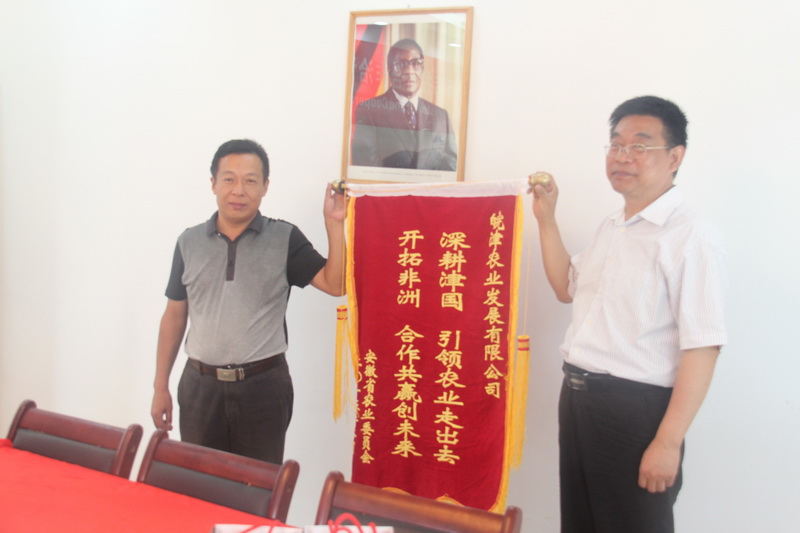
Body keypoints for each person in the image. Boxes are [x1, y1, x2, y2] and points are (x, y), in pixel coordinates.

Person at [531, 96, 727, 533]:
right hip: (579, 401)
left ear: (675, 157)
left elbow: (703, 347)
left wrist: (668, 442)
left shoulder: (691, 235)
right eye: (616, 144)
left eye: (640, 146)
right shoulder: (614, 225)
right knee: (580, 524)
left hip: (636, 413)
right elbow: (565, 287)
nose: (622, 156)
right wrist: (546, 219)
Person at [150, 139, 346, 464]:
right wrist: (160, 387)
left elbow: (335, 284)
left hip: (263, 389)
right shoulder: (188, 242)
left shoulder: (284, 238)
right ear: (213, 183)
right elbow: (174, 316)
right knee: (200, 485)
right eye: (229, 179)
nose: (238, 190)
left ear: (265, 186)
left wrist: (334, 225)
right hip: (200, 388)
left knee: (258, 484)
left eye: (250, 180)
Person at [351, 38, 458, 171]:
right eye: (401, 64)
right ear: (390, 70)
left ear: (422, 69)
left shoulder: (441, 116)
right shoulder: (369, 111)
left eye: (415, 63)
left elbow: (451, 168)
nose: (409, 71)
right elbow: (365, 168)